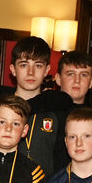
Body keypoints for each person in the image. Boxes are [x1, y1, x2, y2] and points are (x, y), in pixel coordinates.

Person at [7, 35, 63, 174]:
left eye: (38, 65)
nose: (31, 72)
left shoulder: (57, 111)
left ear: (47, 70)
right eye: (24, 65)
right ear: (13, 69)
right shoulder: (0, 108)